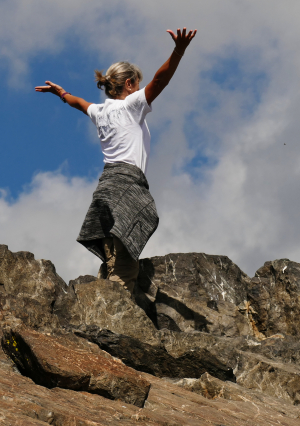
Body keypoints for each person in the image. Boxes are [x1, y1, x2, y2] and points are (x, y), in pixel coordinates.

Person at [35, 27, 197, 292]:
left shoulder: (100, 111)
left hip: (106, 189)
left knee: (113, 254)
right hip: (125, 183)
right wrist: (178, 50)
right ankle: (113, 314)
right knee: (125, 265)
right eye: (138, 83)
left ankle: (99, 301)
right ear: (130, 84)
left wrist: (61, 94)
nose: (141, 88)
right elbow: (161, 80)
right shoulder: (131, 105)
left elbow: (79, 103)